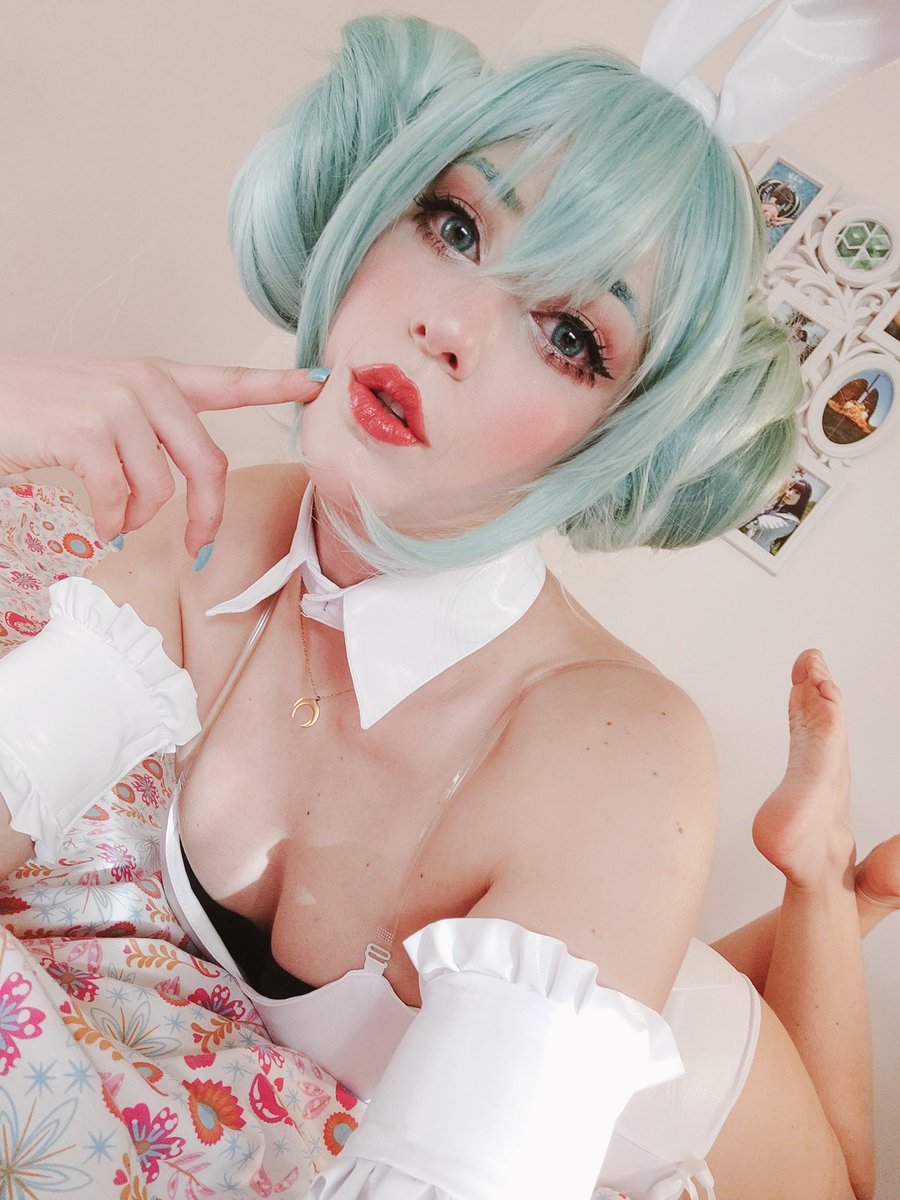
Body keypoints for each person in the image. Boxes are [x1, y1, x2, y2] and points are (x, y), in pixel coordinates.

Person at [0, 12, 886, 1199]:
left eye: (569, 335)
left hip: (690, 1123)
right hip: (606, 927)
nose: (450, 327)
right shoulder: (215, 529)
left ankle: (818, 878)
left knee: (843, 1170)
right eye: (457, 225)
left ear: (620, 441)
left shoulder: (619, 752)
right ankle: (821, 890)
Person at [742, 475, 813, 553]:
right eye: (789, 489)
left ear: (803, 499)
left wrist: (777, 493)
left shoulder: (791, 521)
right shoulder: (779, 507)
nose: (789, 493)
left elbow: (751, 522)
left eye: (797, 492)